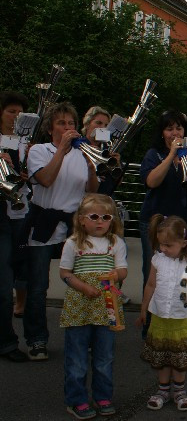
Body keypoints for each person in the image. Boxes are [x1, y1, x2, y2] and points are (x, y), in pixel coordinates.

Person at [24, 102, 100, 361]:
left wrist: (91, 167)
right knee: (38, 287)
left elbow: (92, 190)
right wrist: (62, 151)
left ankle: (82, 337)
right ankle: (37, 339)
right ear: (50, 129)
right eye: (61, 123)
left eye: (71, 123)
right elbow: (44, 179)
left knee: (82, 284)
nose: (68, 127)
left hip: (74, 224)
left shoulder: (83, 153)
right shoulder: (39, 150)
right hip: (44, 221)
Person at [59, 194, 127, 419]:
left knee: (104, 356)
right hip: (80, 304)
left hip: (107, 307)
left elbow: (123, 270)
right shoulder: (72, 243)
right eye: (94, 216)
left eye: (106, 217)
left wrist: (117, 274)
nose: (100, 221)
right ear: (81, 219)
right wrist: (83, 287)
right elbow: (65, 273)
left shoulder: (116, 242)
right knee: (76, 357)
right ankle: (76, 400)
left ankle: (103, 396)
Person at [137, 215, 187, 411]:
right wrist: (143, 308)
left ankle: (180, 391)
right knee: (163, 356)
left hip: (181, 317)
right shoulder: (157, 259)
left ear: (183, 243)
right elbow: (150, 284)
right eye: (161, 245)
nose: (163, 249)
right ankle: (162, 391)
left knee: (178, 358)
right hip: (159, 316)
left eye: (168, 245)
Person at [139, 110, 187, 293]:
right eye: (169, 129)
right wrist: (171, 157)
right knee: (153, 273)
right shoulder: (154, 154)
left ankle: (185, 316)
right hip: (155, 222)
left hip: (185, 222)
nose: (175, 133)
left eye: (179, 128)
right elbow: (151, 182)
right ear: (162, 133)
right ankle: (151, 318)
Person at [0, 91, 30, 362]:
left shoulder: (23, 141)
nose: (15, 117)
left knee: (9, 282)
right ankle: (7, 343)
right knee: (3, 286)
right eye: (11, 111)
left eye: (20, 113)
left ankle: (9, 341)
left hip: (14, 215)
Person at [81, 106, 123, 197]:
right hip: (84, 200)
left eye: (106, 125)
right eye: (98, 123)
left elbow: (118, 182)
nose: (102, 128)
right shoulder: (78, 146)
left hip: (106, 200)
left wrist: (117, 164)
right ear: (87, 124)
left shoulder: (109, 149)